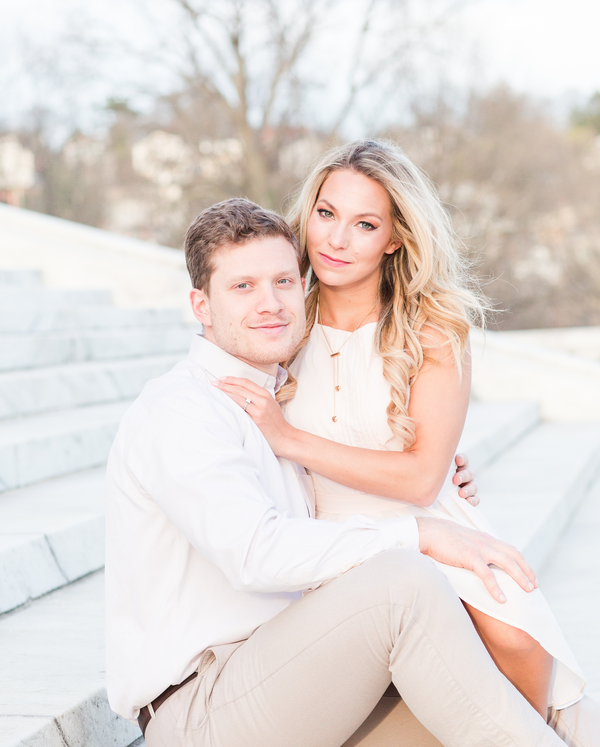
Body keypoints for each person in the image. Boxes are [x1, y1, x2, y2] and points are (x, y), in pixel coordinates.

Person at [105, 198, 573, 747]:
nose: (271, 303)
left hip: (298, 678)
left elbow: (354, 460)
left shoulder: (275, 402)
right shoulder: (182, 409)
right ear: (200, 305)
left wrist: (444, 468)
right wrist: (421, 532)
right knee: (404, 585)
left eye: (283, 281)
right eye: (242, 287)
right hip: (206, 709)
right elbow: (257, 553)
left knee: (490, 711)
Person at [212, 143, 600, 743]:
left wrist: (291, 439)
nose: (336, 239)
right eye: (326, 214)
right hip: (334, 545)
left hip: (429, 523)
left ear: (394, 238)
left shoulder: (434, 328)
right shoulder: (284, 320)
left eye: (364, 224)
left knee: (515, 642)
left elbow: (422, 479)